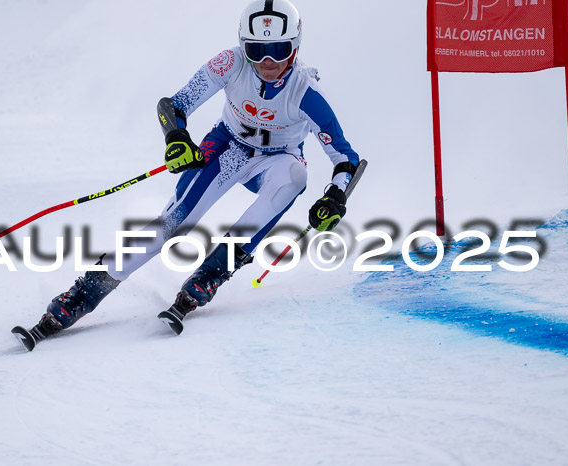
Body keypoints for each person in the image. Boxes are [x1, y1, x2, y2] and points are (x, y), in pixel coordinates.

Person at [20, 0, 361, 343]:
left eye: (278, 49)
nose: (268, 61)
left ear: (296, 46)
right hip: (226, 149)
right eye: (256, 50)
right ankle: (85, 292)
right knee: (172, 224)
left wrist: (335, 196)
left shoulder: (305, 91)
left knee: (295, 176)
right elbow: (173, 105)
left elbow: (344, 158)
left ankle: (213, 271)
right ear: (244, 45)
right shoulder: (231, 62)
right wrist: (176, 137)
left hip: (277, 160)